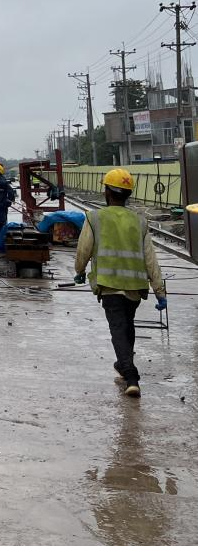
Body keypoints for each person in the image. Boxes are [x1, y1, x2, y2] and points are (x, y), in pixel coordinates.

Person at [74, 168, 166, 398]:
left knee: (118, 328)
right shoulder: (139, 221)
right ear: (128, 194)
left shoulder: (95, 217)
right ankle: (123, 365)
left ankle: (131, 377)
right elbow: (150, 258)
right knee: (127, 326)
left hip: (110, 284)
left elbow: (83, 249)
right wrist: (159, 290)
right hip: (135, 287)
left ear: (107, 192)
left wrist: (79, 271)